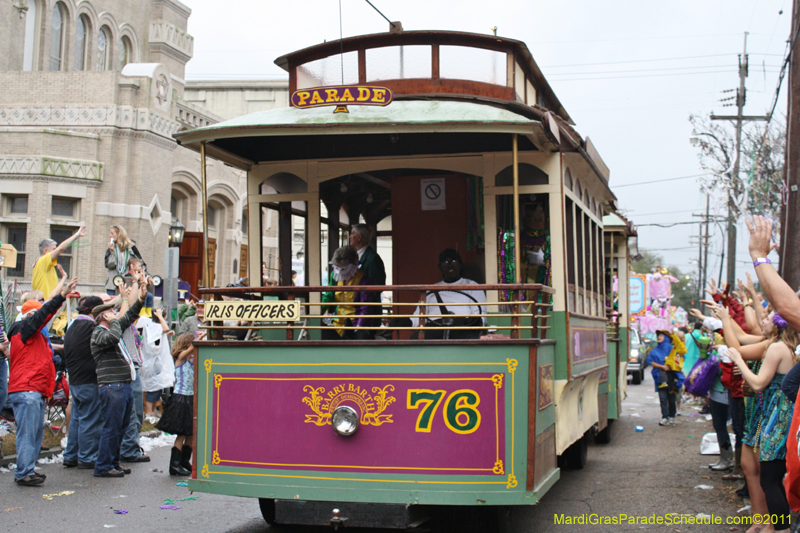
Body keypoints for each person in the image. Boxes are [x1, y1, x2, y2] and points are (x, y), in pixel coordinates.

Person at [726, 310, 799, 533]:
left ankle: (781, 529)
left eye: (768, 319)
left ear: (778, 326)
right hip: (786, 418)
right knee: (775, 477)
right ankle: (775, 527)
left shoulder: (777, 348)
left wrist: (739, 360)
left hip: (777, 420)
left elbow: (758, 384)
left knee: (770, 479)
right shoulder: (790, 349)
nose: (763, 321)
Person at [6, 276, 78, 485]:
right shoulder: (25, 330)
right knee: (28, 434)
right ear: (31, 315)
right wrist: (60, 297)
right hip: (27, 389)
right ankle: (23, 473)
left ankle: (27, 469)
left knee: (34, 433)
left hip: (34, 390)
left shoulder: (34, 336)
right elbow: (42, 316)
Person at [91, 277, 146, 478]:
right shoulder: (98, 333)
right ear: (101, 316)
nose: (115, 314)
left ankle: (114, 462)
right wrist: (115, 321)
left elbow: (129, 316)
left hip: (122, 385)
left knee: (121, 427)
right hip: (112, 386)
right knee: (111, 428)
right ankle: (103, 466)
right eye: (110, 312)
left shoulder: (112, 326)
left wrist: (140, 299)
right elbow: (114, 337)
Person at [62, 296, 105, 469]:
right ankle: (87, 457)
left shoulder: (72, 325)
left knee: (77, 420)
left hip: (75, 379)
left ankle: (71, 455)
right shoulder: (91, 327)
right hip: (89, 380)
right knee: (90, 420)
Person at [321, 246, 380, 340]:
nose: (340, 272)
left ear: (355, 262)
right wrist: (317, 312)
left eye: (344, 269)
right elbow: (328, 296)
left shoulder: (364, 281)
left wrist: (359, 327)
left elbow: (366, 308)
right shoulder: (335, 276)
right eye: (337, 268)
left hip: (357, 325)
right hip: (337, 324)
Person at [156, 333, 195, 476]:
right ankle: (175, 464)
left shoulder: (191, 359)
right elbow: (192, 347)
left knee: (191, 432)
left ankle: (185, 461)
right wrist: (200, 337)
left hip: (190, 397)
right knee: (182, 433)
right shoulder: (180, 358)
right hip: (181, 398)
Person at [32, 225, 86, 297]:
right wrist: (77, 235)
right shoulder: (42, 261)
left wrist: (66, 290)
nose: (56, 252)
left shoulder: (48, 267)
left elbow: (54, 290)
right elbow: (60, 249)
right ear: (45, 251)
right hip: (44, 304)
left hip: (48, 304)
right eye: (54, 249)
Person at [105, 225, 143, 297]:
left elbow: (141, 263)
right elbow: (109, 265)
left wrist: (145, 276)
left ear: (119, 234)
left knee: (126, 304)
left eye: (112, 233)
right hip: (113, 283)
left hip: (128, 282)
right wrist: (112, 252)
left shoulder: (131, 247)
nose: (110, 236)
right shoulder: (111, 248)